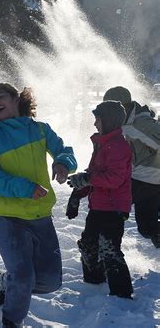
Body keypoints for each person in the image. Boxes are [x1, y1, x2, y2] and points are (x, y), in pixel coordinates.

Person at [0, 83, 77, 328]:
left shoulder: (40, 130)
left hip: (39, 214)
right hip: (6, 216)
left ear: (16, 99)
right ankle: (11, 322)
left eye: (0, 97)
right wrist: (25, 188)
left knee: (51, 281)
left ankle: (3, 283)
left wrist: (63, 163)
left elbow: (64, 150)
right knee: (22, 277)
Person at [66, 100, 134, 299]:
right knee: (88, 244)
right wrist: (77, 194)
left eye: (98, 119)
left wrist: (87, 179)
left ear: (109, 120)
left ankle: (122, 295)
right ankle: (94, 281)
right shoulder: (102, 144)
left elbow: (114, 178)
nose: (95, 124)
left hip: (114, 209)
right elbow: (94, 174)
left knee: (109, 248)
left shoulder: (119, 146)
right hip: (98, 206)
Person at [103, 86, 160, 248]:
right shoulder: (123, 124)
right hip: (141, 178)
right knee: (147, 228)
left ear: (123, 107)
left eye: (111, 109)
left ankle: (108, 244)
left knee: (112, 205)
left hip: (148, 179)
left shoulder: (140, 124)